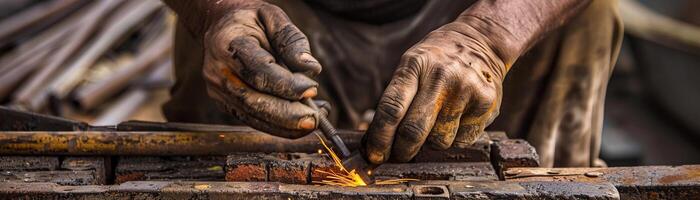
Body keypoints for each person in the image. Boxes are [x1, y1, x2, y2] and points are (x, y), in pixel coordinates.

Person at [162, 0, 622, 168]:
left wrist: (488, 38)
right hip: (276, 12)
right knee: (236, 56)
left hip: (490, 12)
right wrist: (218, 10)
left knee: (587, 19)